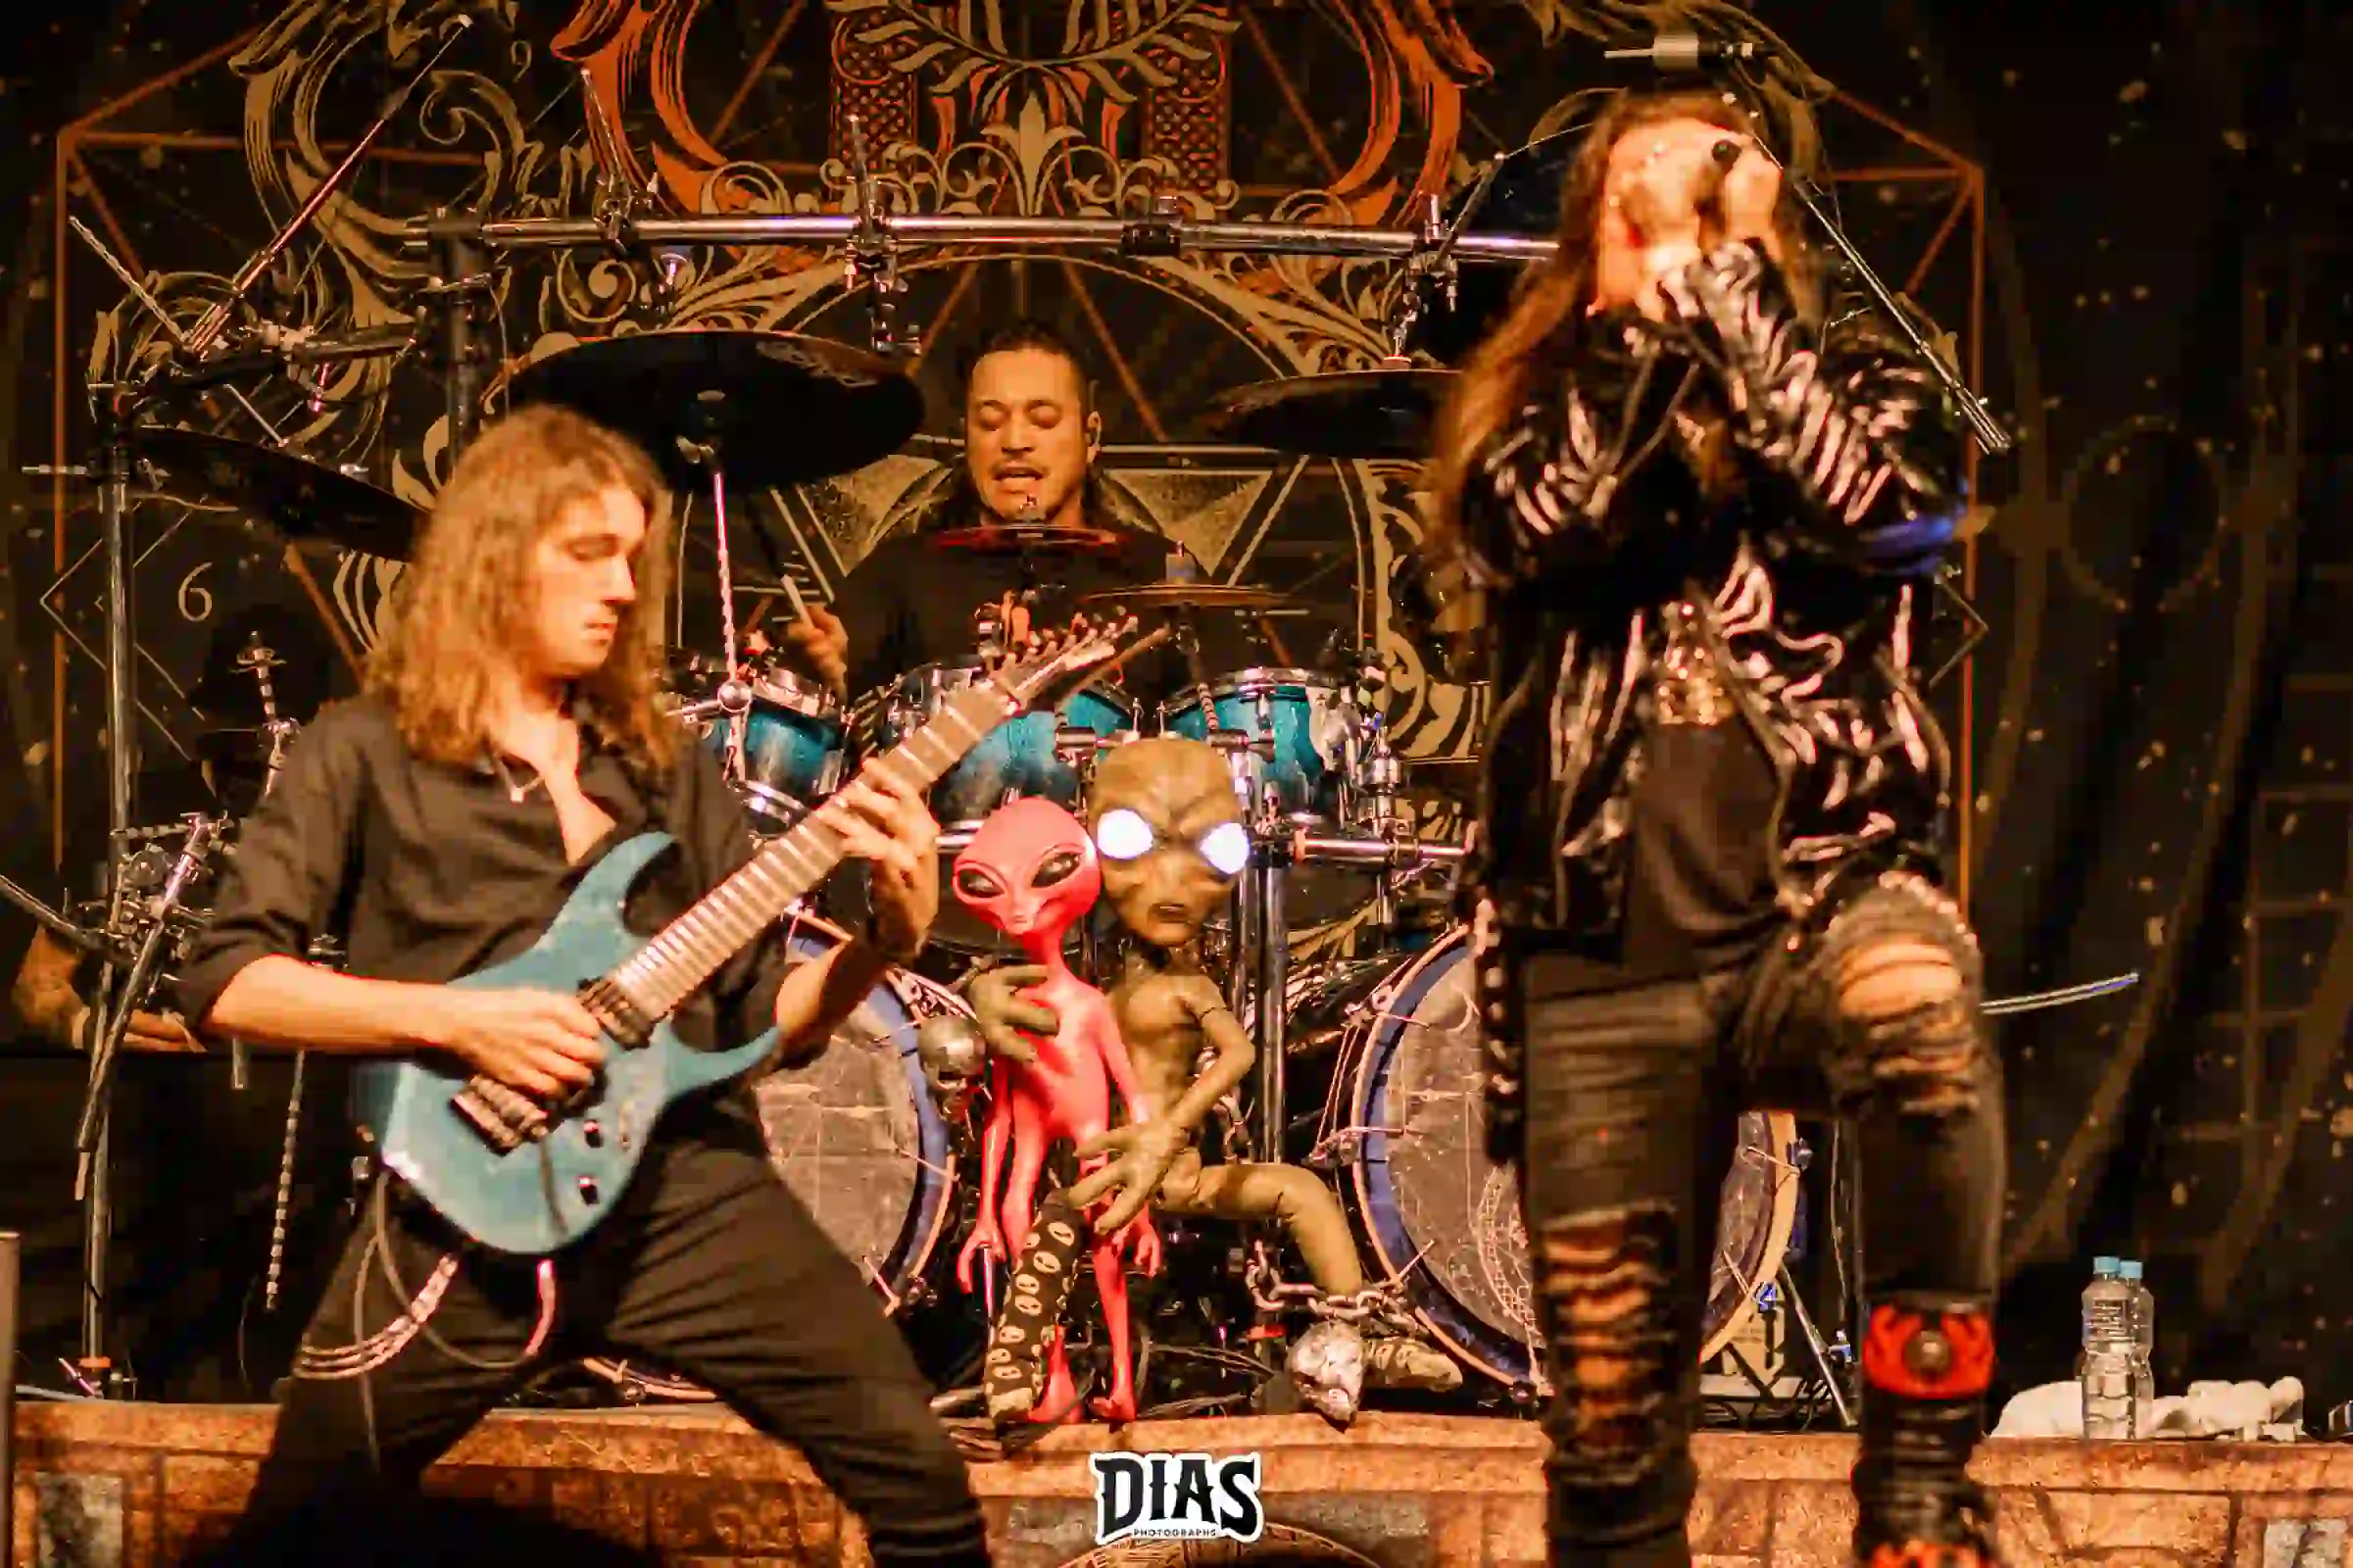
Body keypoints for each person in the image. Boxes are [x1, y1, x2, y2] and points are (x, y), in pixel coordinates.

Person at [173, 405, 990, 1566]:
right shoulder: (362, 750)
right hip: (468, 1203)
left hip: (688, 1197)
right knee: (297, 1531)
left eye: (631, 557)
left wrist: (881, 943)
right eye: (589, 553)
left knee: (922, 1482)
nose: (621, 587)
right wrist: (459, 1021)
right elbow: (226, 983)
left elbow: (764, 1022)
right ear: (497, 556)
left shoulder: (662, 769)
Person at [1413, 91, 2001, 1567]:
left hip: (1820, 897)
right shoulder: (1528, 413)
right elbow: (1540, 526)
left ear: (1765, 232)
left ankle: (1918, 1481)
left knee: (1919, 1008)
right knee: (1611, 1461)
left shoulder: (1860, 388)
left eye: (1700, 198)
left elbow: (1886, 519)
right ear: (1582, 253)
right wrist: (1639, 329)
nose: (1669, 224)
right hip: (1597, 948)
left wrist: (1732, 293)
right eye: (1635, 205)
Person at [777, 317, 1242, 706]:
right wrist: (822, 671)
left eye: (1043, 419)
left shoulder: (1162, 572)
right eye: (990, 421)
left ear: (1091, 437)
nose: (1015, 441)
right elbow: (829, 698)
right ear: (967, 439)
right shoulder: (901, 572)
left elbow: (1225, 731)